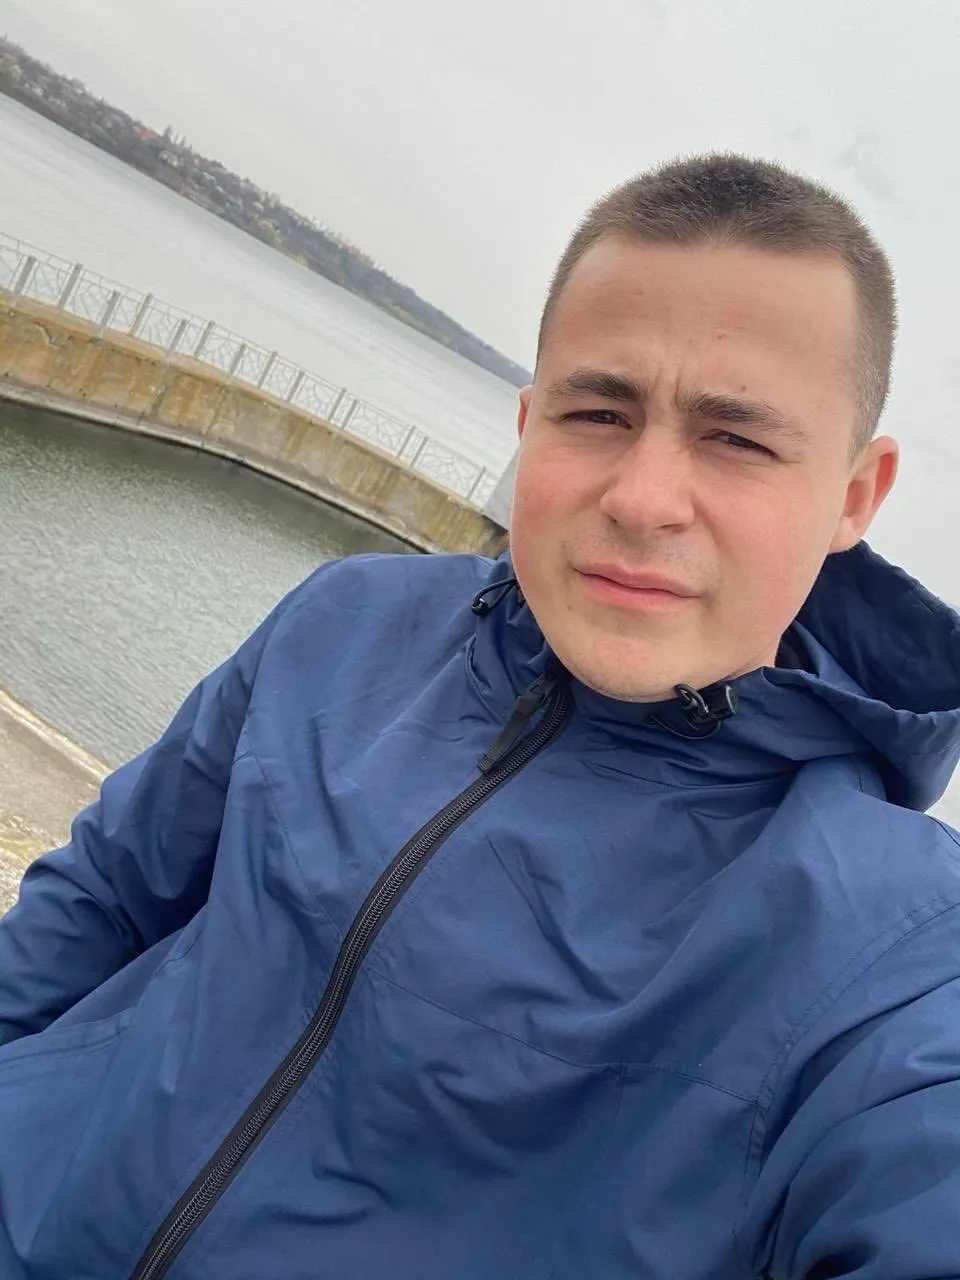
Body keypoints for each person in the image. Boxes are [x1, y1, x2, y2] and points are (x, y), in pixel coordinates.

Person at [1, 153, 959, 1280]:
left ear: (853, 494)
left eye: (737, 439)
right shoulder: (343, 623)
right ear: (528, 420)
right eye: (597, 411)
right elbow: (107, 895)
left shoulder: (899, 946)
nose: (643, 498)